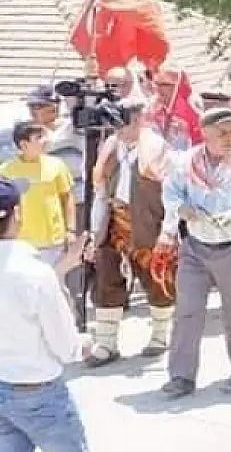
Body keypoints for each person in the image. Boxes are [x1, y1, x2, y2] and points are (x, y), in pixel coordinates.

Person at [159, 108, 231, 399]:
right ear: (204, 132)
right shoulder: (185, 162)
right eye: (221, 132)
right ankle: (182, 376)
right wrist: (180, 208)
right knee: (187, 311)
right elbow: (170, 192)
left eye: (230, 131)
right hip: (195, 246)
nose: (228, 138)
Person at [0, 176, 90, 452]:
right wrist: (84, 344)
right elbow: (65, 347)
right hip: (37, 392)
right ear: (17, 213)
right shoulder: (33, 273)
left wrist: (60, 269)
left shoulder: (34, 273)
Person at [85, 99, 174, 367]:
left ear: (138, 121)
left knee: (157, 279)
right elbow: (101, 194)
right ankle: (107, 343)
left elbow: (173, 198)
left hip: (149, 223)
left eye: (123, 123)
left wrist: (169, 232)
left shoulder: (159, 149)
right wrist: (93, 231)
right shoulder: (109, 148)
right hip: (115, 223)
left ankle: (160, 335)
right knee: (106, 278)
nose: (118, 129)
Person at [0, 121, 77, 268]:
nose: (46, 140)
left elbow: (67, 197)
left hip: (54, 243)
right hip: (21, 244)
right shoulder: (6, 171)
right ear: (24, 145)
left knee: (55, 285)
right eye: (39, 137)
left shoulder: (57, 165)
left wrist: (71, 230)